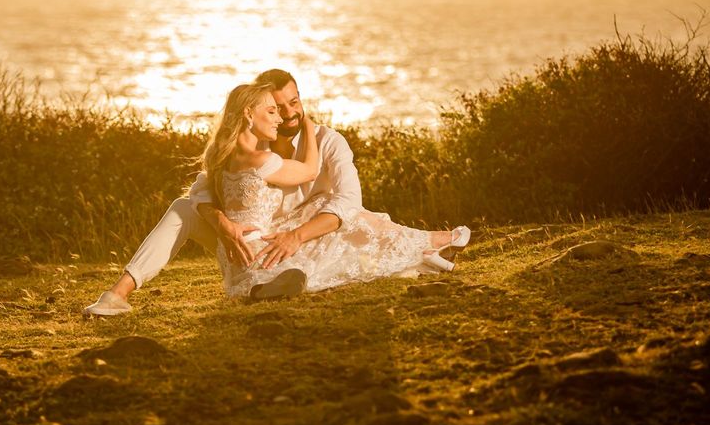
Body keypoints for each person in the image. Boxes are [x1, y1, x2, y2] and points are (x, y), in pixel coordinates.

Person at [83, 69, 468, 315]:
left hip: (293, 236)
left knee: (346, 215)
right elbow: (201, 191)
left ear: (302, 101)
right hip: (244, 237)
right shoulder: (255, 148)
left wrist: (296, 235)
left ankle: (426, 247)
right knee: (183, 207)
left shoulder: (328, 142)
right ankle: (117, 294)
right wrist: (223, 225)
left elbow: (348, 201)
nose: (288, 113)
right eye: (276, 107)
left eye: (294, 103)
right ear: (258, 110)